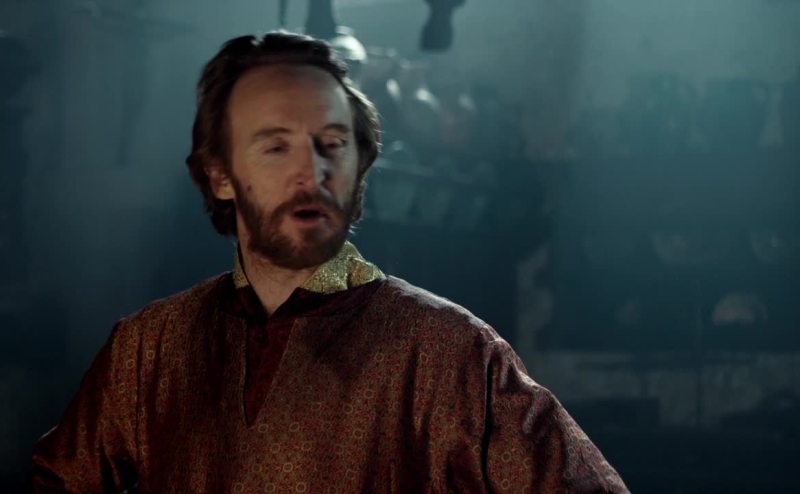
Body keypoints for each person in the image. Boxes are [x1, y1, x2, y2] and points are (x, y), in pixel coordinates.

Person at [31, 32, 628, 493]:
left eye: (332, 145)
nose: (310, 172)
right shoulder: (149, 349)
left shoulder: (448, 352)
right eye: (275, 146)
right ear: (220, 175)